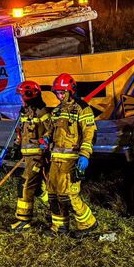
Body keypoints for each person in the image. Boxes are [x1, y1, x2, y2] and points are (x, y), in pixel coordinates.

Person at [45, 73, 98, 238]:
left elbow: (90, 133)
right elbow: (51, 131)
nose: (60, 96)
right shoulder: (56, 111)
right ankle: (60, 226)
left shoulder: (82, 108)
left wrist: (85, 156)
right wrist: (45, 139)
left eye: (62, 92)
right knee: (53, 194)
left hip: (72, 160)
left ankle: (88, 224)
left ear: (70, 91)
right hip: (56, 160)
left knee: (68, 194)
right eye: (57, 93)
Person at [9, 80, 52, 233]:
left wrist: (44, 142)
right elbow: (22, 132)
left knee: (25, 185)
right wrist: (16, 144)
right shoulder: (24, 112)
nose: (20, 99)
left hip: (37, 157)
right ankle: (56, 211)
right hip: (27, 156)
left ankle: (24, 221)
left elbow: (51, 131)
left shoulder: (42, 111)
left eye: (22, 96)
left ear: (30, 96)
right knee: (40, 189)